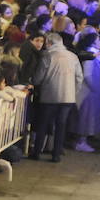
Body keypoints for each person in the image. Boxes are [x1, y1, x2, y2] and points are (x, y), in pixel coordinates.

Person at [30, 32, 82, 162]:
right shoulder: (73, 56)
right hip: (68, 97)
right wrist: (73, 91)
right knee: (61, 125)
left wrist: (34, 82)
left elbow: (39, 77)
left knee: (43, 123)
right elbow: (79, 77)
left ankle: (37, 152)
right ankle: (56, 154)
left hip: (49, 96)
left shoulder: (48, 56)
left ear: (49, 43)